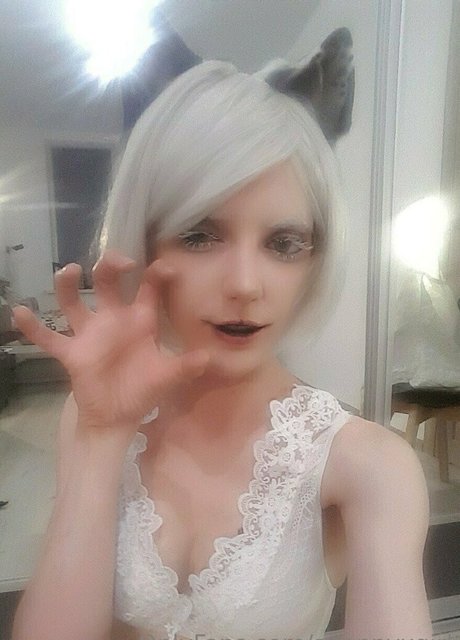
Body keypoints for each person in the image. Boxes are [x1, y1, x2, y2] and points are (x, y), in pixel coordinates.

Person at [12, 60, 432, 640]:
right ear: (146, 243)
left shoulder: (367, 466)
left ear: (315, 260)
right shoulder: (92, 418)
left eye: (283, 244)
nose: (244, 284)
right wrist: (101, 436)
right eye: (200, 236)